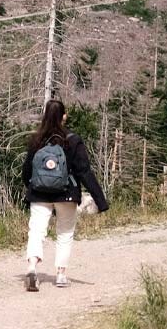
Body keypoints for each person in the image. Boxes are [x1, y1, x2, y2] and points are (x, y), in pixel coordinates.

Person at [21, 99, 109, 291]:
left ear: (45, 115)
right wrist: (100, 201)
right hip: (67, 194)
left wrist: (32, 187)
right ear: (64, 116)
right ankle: (60, 275)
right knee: (65, 234)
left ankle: (32, 267)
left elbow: (26, 170)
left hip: (39, 193)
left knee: (36, 231)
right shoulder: (72, 140)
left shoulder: (37, 140)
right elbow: (84, 171)